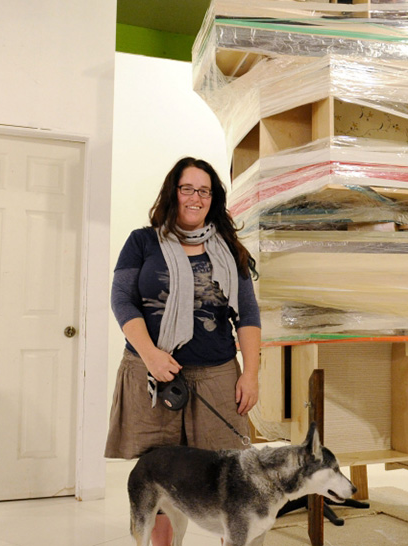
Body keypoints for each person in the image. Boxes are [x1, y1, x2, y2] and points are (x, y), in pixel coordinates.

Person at [105, 157, 262, 546]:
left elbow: (248, 314)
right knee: (159, 474)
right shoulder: (142, 242)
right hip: (154, 375)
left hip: (217, 375)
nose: (196, 197)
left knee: (230, 477)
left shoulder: (230, 250)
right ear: (173, 193)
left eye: (204, 191)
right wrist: (150, 354)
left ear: (213, 198)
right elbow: (122, 300)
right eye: (187, 188)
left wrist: (251, 373)